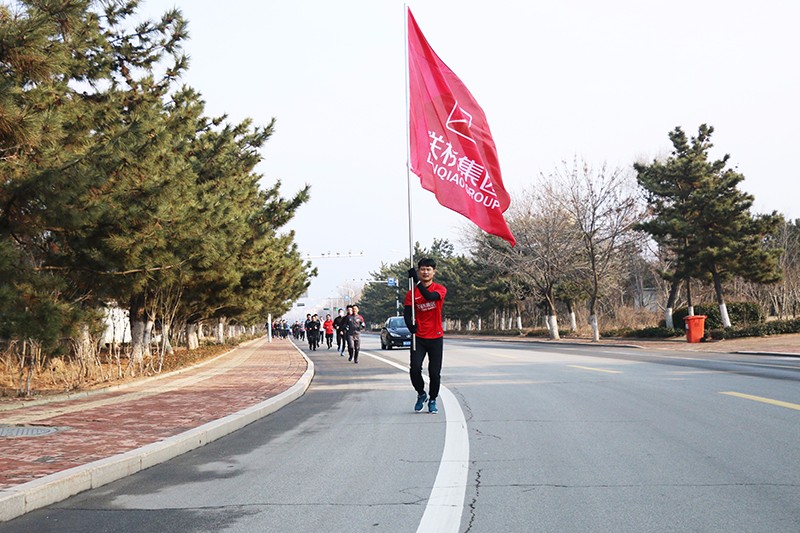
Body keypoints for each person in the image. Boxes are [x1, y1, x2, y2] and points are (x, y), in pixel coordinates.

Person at [404, 258, 447, 414]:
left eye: (428, 269)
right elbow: (407, 313)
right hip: (419, 337)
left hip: (436, 336)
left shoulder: (440, 289)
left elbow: (429, 297)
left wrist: (416, 281)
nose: (425, 272)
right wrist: (411, 327)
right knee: (415, 369)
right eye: (422, 269)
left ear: (434, 272)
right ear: (418, 271)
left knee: (434, 373)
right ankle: (421, 393)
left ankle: (433, 399)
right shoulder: (411, 294)